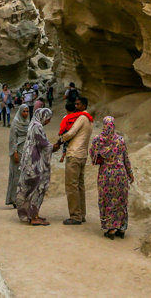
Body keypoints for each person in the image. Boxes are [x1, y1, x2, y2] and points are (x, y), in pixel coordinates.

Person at [90, 116, 134, 239]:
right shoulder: (120, 140)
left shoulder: (97, 140)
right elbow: (126, 158)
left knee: (107, 200)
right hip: (121, 173)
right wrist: (130, 173)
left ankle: (110, 229)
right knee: (121, 201)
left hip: (106, 174)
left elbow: (93, 158)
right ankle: (121, 228)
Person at [53, 96, 92, 225]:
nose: (76, 106)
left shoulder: (81, 118)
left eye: (78, 104)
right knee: (79, 186)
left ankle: (75, 216)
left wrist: (60, 140)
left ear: (84, 105)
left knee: (71, 186)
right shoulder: (88, 119)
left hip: (74, 155)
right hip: (82, 155)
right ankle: (82, 214)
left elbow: (71, 133)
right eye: (75, 104)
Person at [15, 107, 54, 226]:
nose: (48, 121)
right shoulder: (37, 126)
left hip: (29, 161)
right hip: (34, 163)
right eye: (48, 119)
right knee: (36, 188)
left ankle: (33, 214)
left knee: (31, 188)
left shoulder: (33, 124)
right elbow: (43, 144)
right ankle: (32, 217)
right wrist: (56, 145)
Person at [5, 103, 31, 208]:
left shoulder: (28, 122)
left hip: (25, 151)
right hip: (17, 152)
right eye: (24, 111)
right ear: (20, 111)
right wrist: (14, 152)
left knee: (24, 176)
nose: (25, 113)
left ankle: (21, 198)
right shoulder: (15, 123)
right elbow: (12, 139)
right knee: (16, 175)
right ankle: (13, 199)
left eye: (27, 111)